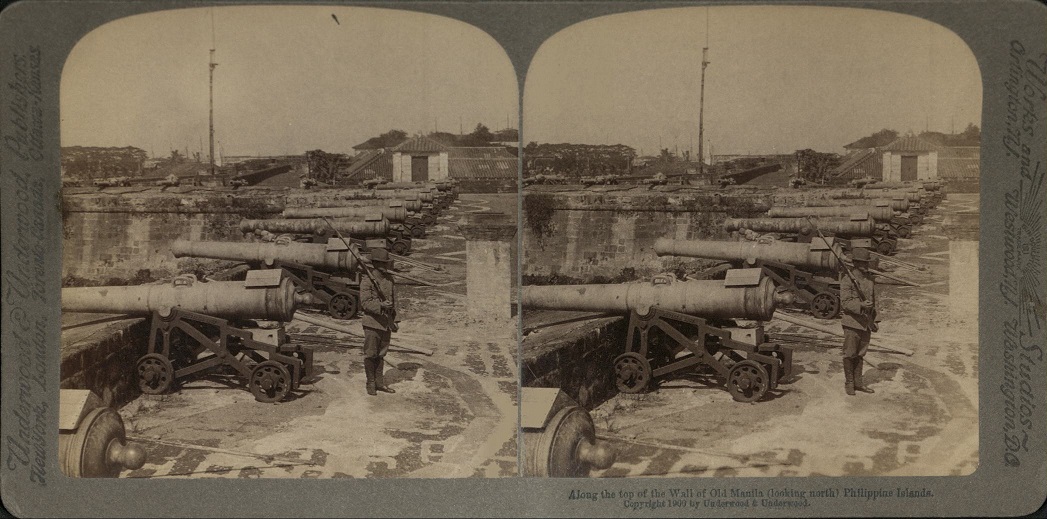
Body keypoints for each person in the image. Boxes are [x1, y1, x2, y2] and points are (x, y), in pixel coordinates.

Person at [839, 246, 878, 395]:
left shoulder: (869, 281)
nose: (866, 265)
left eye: (867, 262)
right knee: (850, 353)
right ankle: (849, 383)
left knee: (861, 354)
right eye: (863, 263)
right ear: (855, 263)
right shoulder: (847, 280)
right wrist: (861, 305)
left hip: (866, 323)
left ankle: (858, 383)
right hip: (852, 323)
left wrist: (876, 319)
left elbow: (875, 301)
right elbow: (845, 303)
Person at [360, 247, 397, 396]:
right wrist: (381, 305)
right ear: (375, 264)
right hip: (372, 323)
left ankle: (379, 383)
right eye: (383, 263)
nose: (386, 265)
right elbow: (365, 303)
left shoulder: (389, 280)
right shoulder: (367, 281)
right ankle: (370, 383)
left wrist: (396, 319)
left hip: (386, 323)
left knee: (381, 354)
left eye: (386, 262)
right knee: (371, 354)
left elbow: (395, 301)